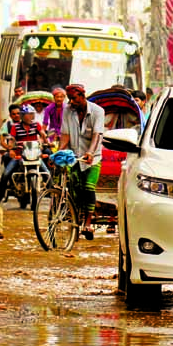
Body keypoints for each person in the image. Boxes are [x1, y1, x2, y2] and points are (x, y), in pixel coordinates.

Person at [59, 83, 106, 240]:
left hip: (93, 158)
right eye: (70, 99)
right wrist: (59, 153)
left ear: (82, 96)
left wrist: (91, 152)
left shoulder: (98, 111)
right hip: (74, 156)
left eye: (74, 99)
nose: (72, 102)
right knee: (73, 189)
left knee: (88, 187)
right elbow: (65, 134)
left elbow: (97, 134)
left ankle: (87, 223)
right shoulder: (67, 110)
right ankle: (74, 219)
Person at [0, 104, 49, 205]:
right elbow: (11, 140)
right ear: (22, 116)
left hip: (35, 155)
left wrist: (46, 140)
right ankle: (0, 195)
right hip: (20, 155)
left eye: (30, 115)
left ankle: (52, 195)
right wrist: (11, 149)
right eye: (26, 115)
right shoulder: (14, 127)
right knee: (6, 174)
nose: (29, 117)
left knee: (47, 173)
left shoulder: (36, 125)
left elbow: (42, 134)